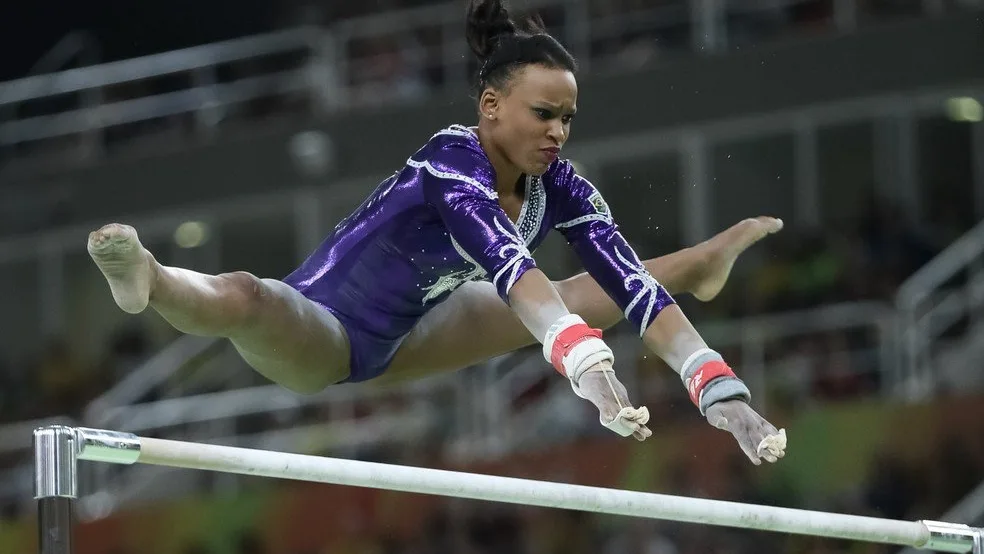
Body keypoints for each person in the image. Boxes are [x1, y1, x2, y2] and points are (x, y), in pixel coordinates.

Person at [87, 0, 787, 463]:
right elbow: (511, 270)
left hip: (414, 331)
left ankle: (692, 267)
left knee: (584, 288)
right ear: (490, 106)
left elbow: (625, 282)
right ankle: (152, 277)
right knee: (246, 294)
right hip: (323, 332)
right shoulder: (450, 163)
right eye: (543, 113)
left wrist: (726, 398)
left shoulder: (561, 184)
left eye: (567, 118)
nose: (558, 133)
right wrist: (592, 373)